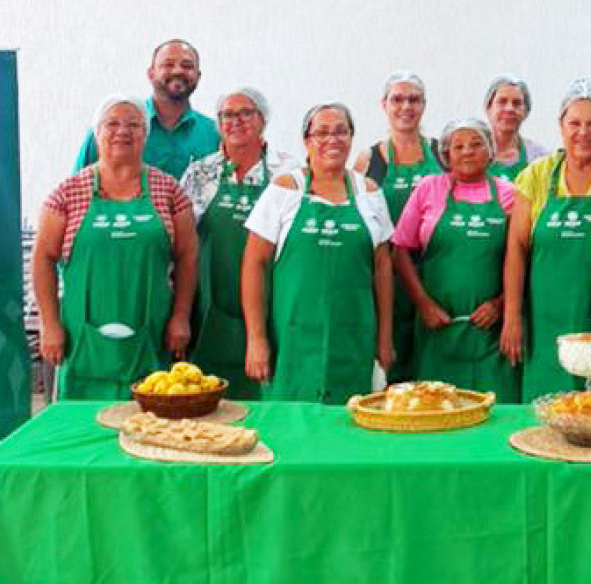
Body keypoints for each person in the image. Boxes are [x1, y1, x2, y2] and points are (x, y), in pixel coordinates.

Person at [33, 96, 197, 400]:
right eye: (113, 124)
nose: (123, 131)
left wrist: (181, 316)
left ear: (145, 135)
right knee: (81, 429)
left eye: (134, 125)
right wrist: (49, 324)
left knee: (151, 426)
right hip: (81, 340)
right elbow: (42, 258)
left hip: (151, 334)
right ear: (97, 134)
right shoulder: (67, 193)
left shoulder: (169, 190)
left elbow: (188, 257)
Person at [241, 103, 395, 403]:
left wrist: (385, 338)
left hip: (354, 334)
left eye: (341, 131)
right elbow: (253, 264)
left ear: (351, 138)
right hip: (292, 336)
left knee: (351, 424)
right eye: (321, 133)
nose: (332, 140)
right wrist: (256, 338)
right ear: (306, 140)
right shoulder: (286, 189)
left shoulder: (369, 192)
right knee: (290, 425)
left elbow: (383, 269)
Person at [502, 78, 591, 398]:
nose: (584, 132)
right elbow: (516, 248)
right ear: (561, 127)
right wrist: (512, 316)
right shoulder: (536, 175)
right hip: (545, 318)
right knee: (547, 407)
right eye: (575, 123)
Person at [179, 87, 298, 399]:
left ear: (263, 120)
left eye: (247, 113)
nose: (236, 121)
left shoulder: (288, 173)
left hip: (272, 304)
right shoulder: (200, 173)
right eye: (227, 115)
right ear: (217, 124)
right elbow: (181, 243)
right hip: (209, 308)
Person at [392, 118, 520, 400]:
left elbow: (521, 257)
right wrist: (423, 304)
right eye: (458, 146)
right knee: (436, 409)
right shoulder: (429, 189)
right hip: (437, 329)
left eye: (476, 145)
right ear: (446, 155)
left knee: (494, 413)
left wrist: (500, 305)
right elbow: (400, 249)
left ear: (490, 152)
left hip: (491, 333)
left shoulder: (509, 195)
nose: (467, 152)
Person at [356, 70, 442, 382]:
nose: (405, 106)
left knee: (430, 366)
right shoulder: (369, 159)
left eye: (413, 99)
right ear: (384, 105)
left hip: (432, 276)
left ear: (424, 105)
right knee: (388, 363)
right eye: (397, 99)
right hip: (386, 276)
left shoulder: (440, 153)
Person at [74, 40, 219, 180]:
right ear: (151, 74)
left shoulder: (215, 134)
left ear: (198, 77)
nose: (177, 70)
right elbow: (76, 190)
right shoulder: (109, 130)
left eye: (187, 66)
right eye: (168, 64)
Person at [484, 73, 549, 180]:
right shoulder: (470, 155)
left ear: (526, 112)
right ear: (488, 108)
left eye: (517, 103)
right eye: (502, 102)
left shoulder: (539, 158)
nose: (509, 109)